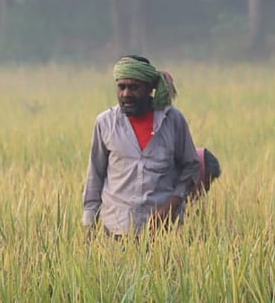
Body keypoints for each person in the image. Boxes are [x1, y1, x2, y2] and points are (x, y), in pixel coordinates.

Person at [83, 56, 201, 237]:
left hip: (163, 231)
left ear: (149, 89)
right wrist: (89, 224)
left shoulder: (173, 120)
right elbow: (95, 175)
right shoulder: (105, 123)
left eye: (134, 87)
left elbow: (191, 166)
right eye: (121, 87)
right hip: (115, 229)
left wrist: (173, 202)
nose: (126, 94)